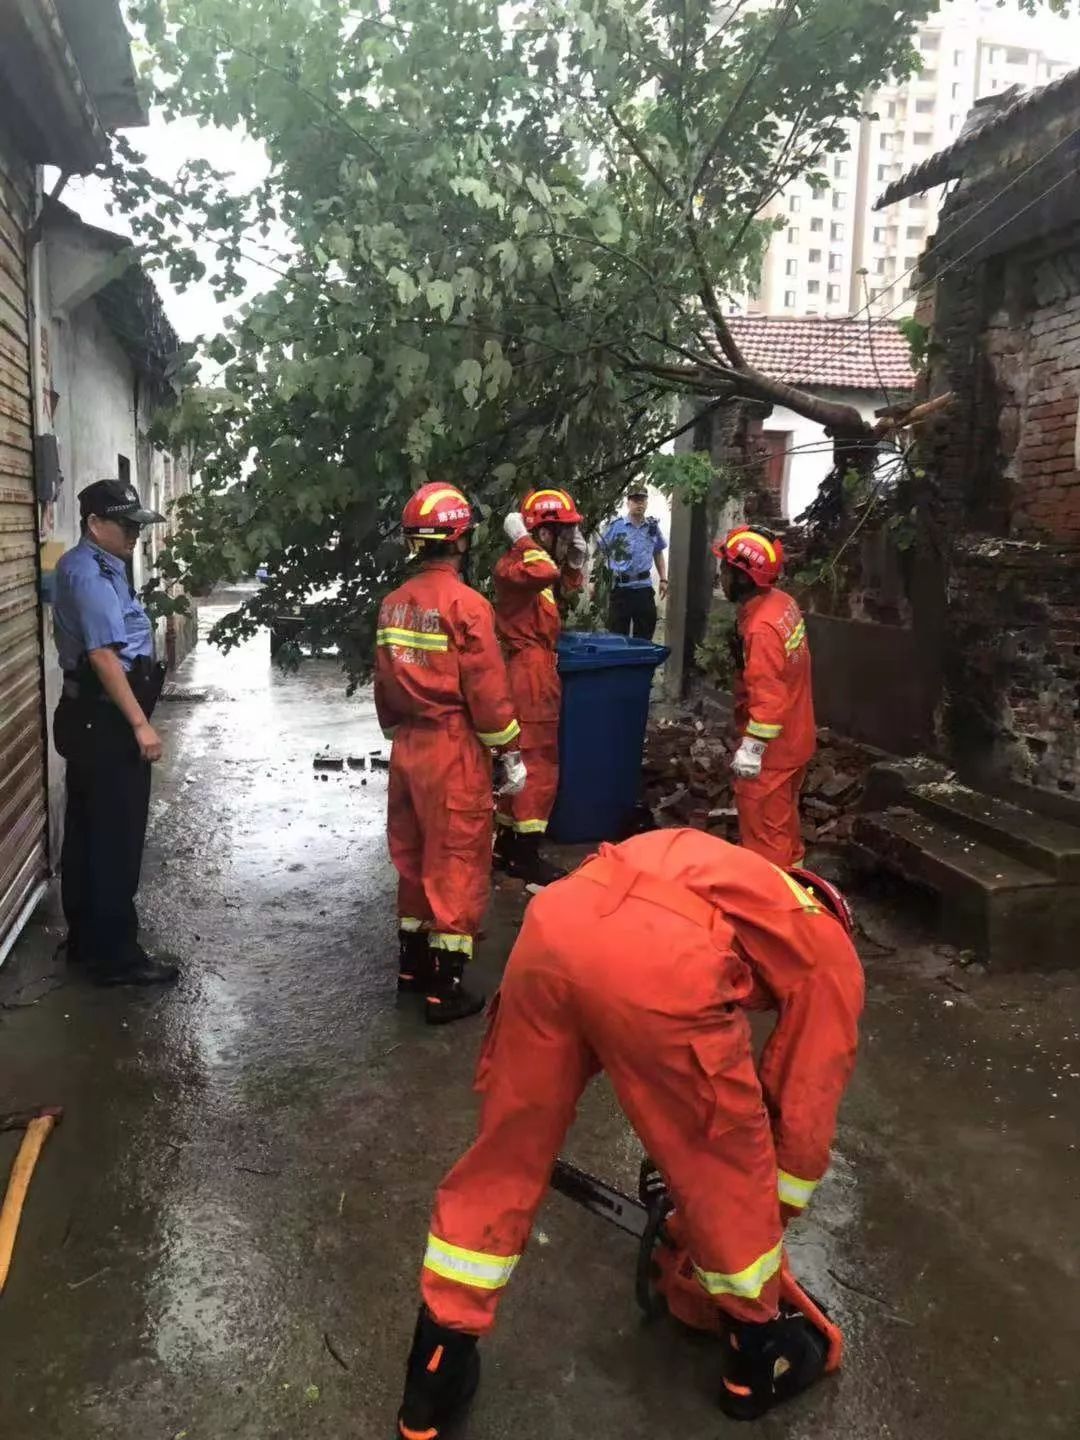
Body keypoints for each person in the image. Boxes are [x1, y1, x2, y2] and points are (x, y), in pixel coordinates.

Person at [394, 829, 864, 1435]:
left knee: (505, 1155)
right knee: (725, 1162)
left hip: (554, 927)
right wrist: (752, 1219)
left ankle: (433, 1379)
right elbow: (801, 1114)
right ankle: (757, 1357)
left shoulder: (721, 864)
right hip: (661, 963)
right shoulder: (828, 950)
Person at [374, 482, 526, 1025]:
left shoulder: (394, 604)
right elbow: (487, 690)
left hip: (409, 749)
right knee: (457, 862)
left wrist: (398, 727)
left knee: (412, 859)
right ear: (459, 541)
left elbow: (385, 686)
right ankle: (446, 988)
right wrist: (508, 751)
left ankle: (411, 969)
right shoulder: (469, 606)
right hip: (453, 748)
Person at [52, 480, 175, 986]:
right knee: (114, 840)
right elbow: (104, 656)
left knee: (87, 835)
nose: (134, 535)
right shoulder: (88, 575)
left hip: (94, 717)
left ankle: (87, 943)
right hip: (105, 721)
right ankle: (117, 957)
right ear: (94, 524)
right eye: (126, 525)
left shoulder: (103, 568)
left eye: (136, 526)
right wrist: (141, 725)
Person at [492, 488, 587, 892]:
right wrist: (523, 538)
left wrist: (576, 563)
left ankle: (509, 847)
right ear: (541, 532)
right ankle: (526, 857)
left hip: (535, 670)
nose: (566, 539)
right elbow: (542, 574)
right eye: (561, 532)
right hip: (529, 675)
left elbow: (561, 588)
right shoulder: (518, 565)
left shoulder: (535, 565)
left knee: (525, 761)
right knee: (537, 763)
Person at [714, 526, 815, 869]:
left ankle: (770, 910)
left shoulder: (762, 629)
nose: (721, 576)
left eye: (725, 569)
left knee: (765, 840)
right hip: (796, 739)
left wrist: (752, 750)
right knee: (784, 825)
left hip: (772, 754)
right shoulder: (781, 604)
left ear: (742, 577)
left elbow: (769, 702)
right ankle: (797, 886)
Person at [598, 486, 667, 639]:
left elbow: (658, 552)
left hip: (644, 588)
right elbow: (602, 551)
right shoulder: (616, 526)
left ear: (647, 503)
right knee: (617, 637)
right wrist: (595, 581)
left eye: (642, 500)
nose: (639, 504)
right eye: (635, 500)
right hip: (621, 589)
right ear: (628, 502)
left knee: (644, 636)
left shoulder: (652, 527)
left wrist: (663, 578)